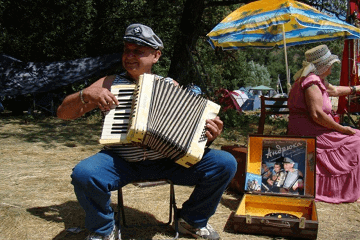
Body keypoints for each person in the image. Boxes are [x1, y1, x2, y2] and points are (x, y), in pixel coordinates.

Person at [57, 23, 237, 240]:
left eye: (138, 51)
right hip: (121, 162)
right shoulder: (109, 83)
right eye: (127, 50)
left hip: (166, 161)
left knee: (225, 163)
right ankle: (104, 229)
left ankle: (191, 221)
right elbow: (63, 113)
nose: (130, 56)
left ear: (156, 56)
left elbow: (186, 136)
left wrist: (207, 136)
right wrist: (86, 95)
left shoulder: (171, 85)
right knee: (84, 174)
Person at [287, 44, 360, 203]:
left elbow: (334, 91)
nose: (333, 67)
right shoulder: (311, 82)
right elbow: (317, 114)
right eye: (331, 64)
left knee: (357, 136)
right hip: (309, 132)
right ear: (324, 65)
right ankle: (337, 189)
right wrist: (341, 129)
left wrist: (356, 89)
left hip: (310, 128)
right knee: (356, 140)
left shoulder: (314, 79)